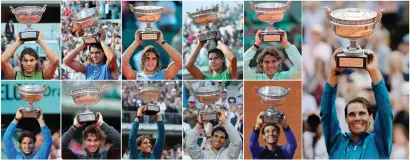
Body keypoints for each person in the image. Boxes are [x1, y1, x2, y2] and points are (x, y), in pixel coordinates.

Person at [320, 49, 393, 158]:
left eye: (362, 113)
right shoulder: (336, 143)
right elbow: (326, 114)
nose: (357, 118)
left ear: (371, 118)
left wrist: (374, 72)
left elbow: (385, 112)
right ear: (346, 119)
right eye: (352, 114)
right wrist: (333, 73)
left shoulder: (380, 143)